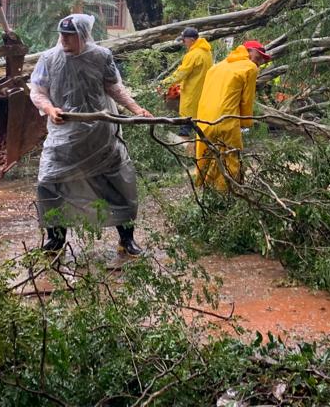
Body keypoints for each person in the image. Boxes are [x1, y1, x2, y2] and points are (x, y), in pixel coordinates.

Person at [29, 14, 153, 257]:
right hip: (64, 136)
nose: (64, 39)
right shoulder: (49, 58)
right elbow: (37, 91)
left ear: (84, 35)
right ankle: (55, 239)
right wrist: (50, 109)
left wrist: (137, 109)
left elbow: (114, 88)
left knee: (118, 183)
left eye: (70, 35)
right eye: (62, 34)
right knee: (50, 182)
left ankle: (127, 239)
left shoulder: (101, 56)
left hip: (101, 135)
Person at [193, 40, 271, 190]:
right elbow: (247, 100)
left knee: (206, 156)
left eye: (262, 59)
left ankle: (203, 191)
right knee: (231, 158)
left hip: (203, 119)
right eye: (259, 57)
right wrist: (246, 123)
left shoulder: (217, 66)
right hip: (227, 119)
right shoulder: (250, 67)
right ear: (248, 51)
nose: (260, 62)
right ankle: (228, 194)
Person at [162, 26, 213, 137]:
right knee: (198, 122)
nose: (183, 42)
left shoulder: (193, 55)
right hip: (203, 91)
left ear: (192, 40)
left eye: (184, 40)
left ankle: (184, 142)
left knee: (186, 122)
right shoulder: (207, 53)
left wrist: (164, 83)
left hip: (192, 92)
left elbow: (181, 73)